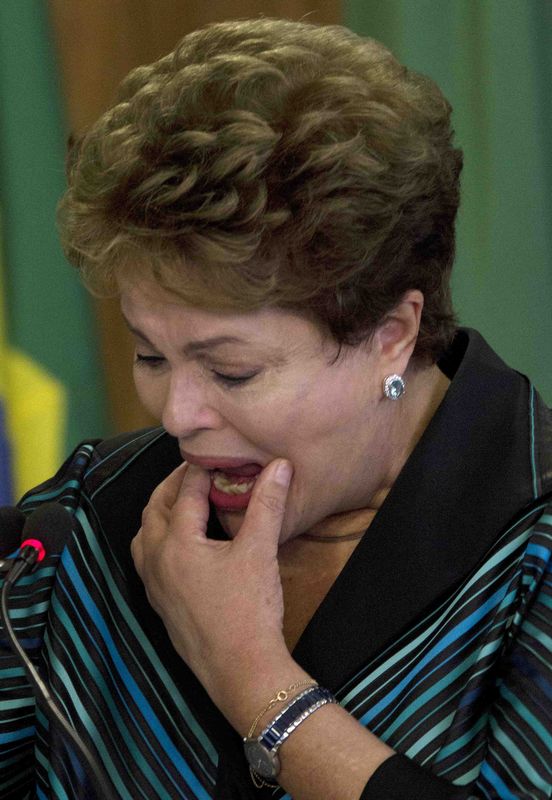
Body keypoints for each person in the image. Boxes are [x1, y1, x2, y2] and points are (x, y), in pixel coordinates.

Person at [1, 17, 551, 800]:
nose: (178, 415)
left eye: (232, 370)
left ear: (390, 334)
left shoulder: (531, 539)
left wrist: (255, 681)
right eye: (151, 355)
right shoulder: (86, 518)